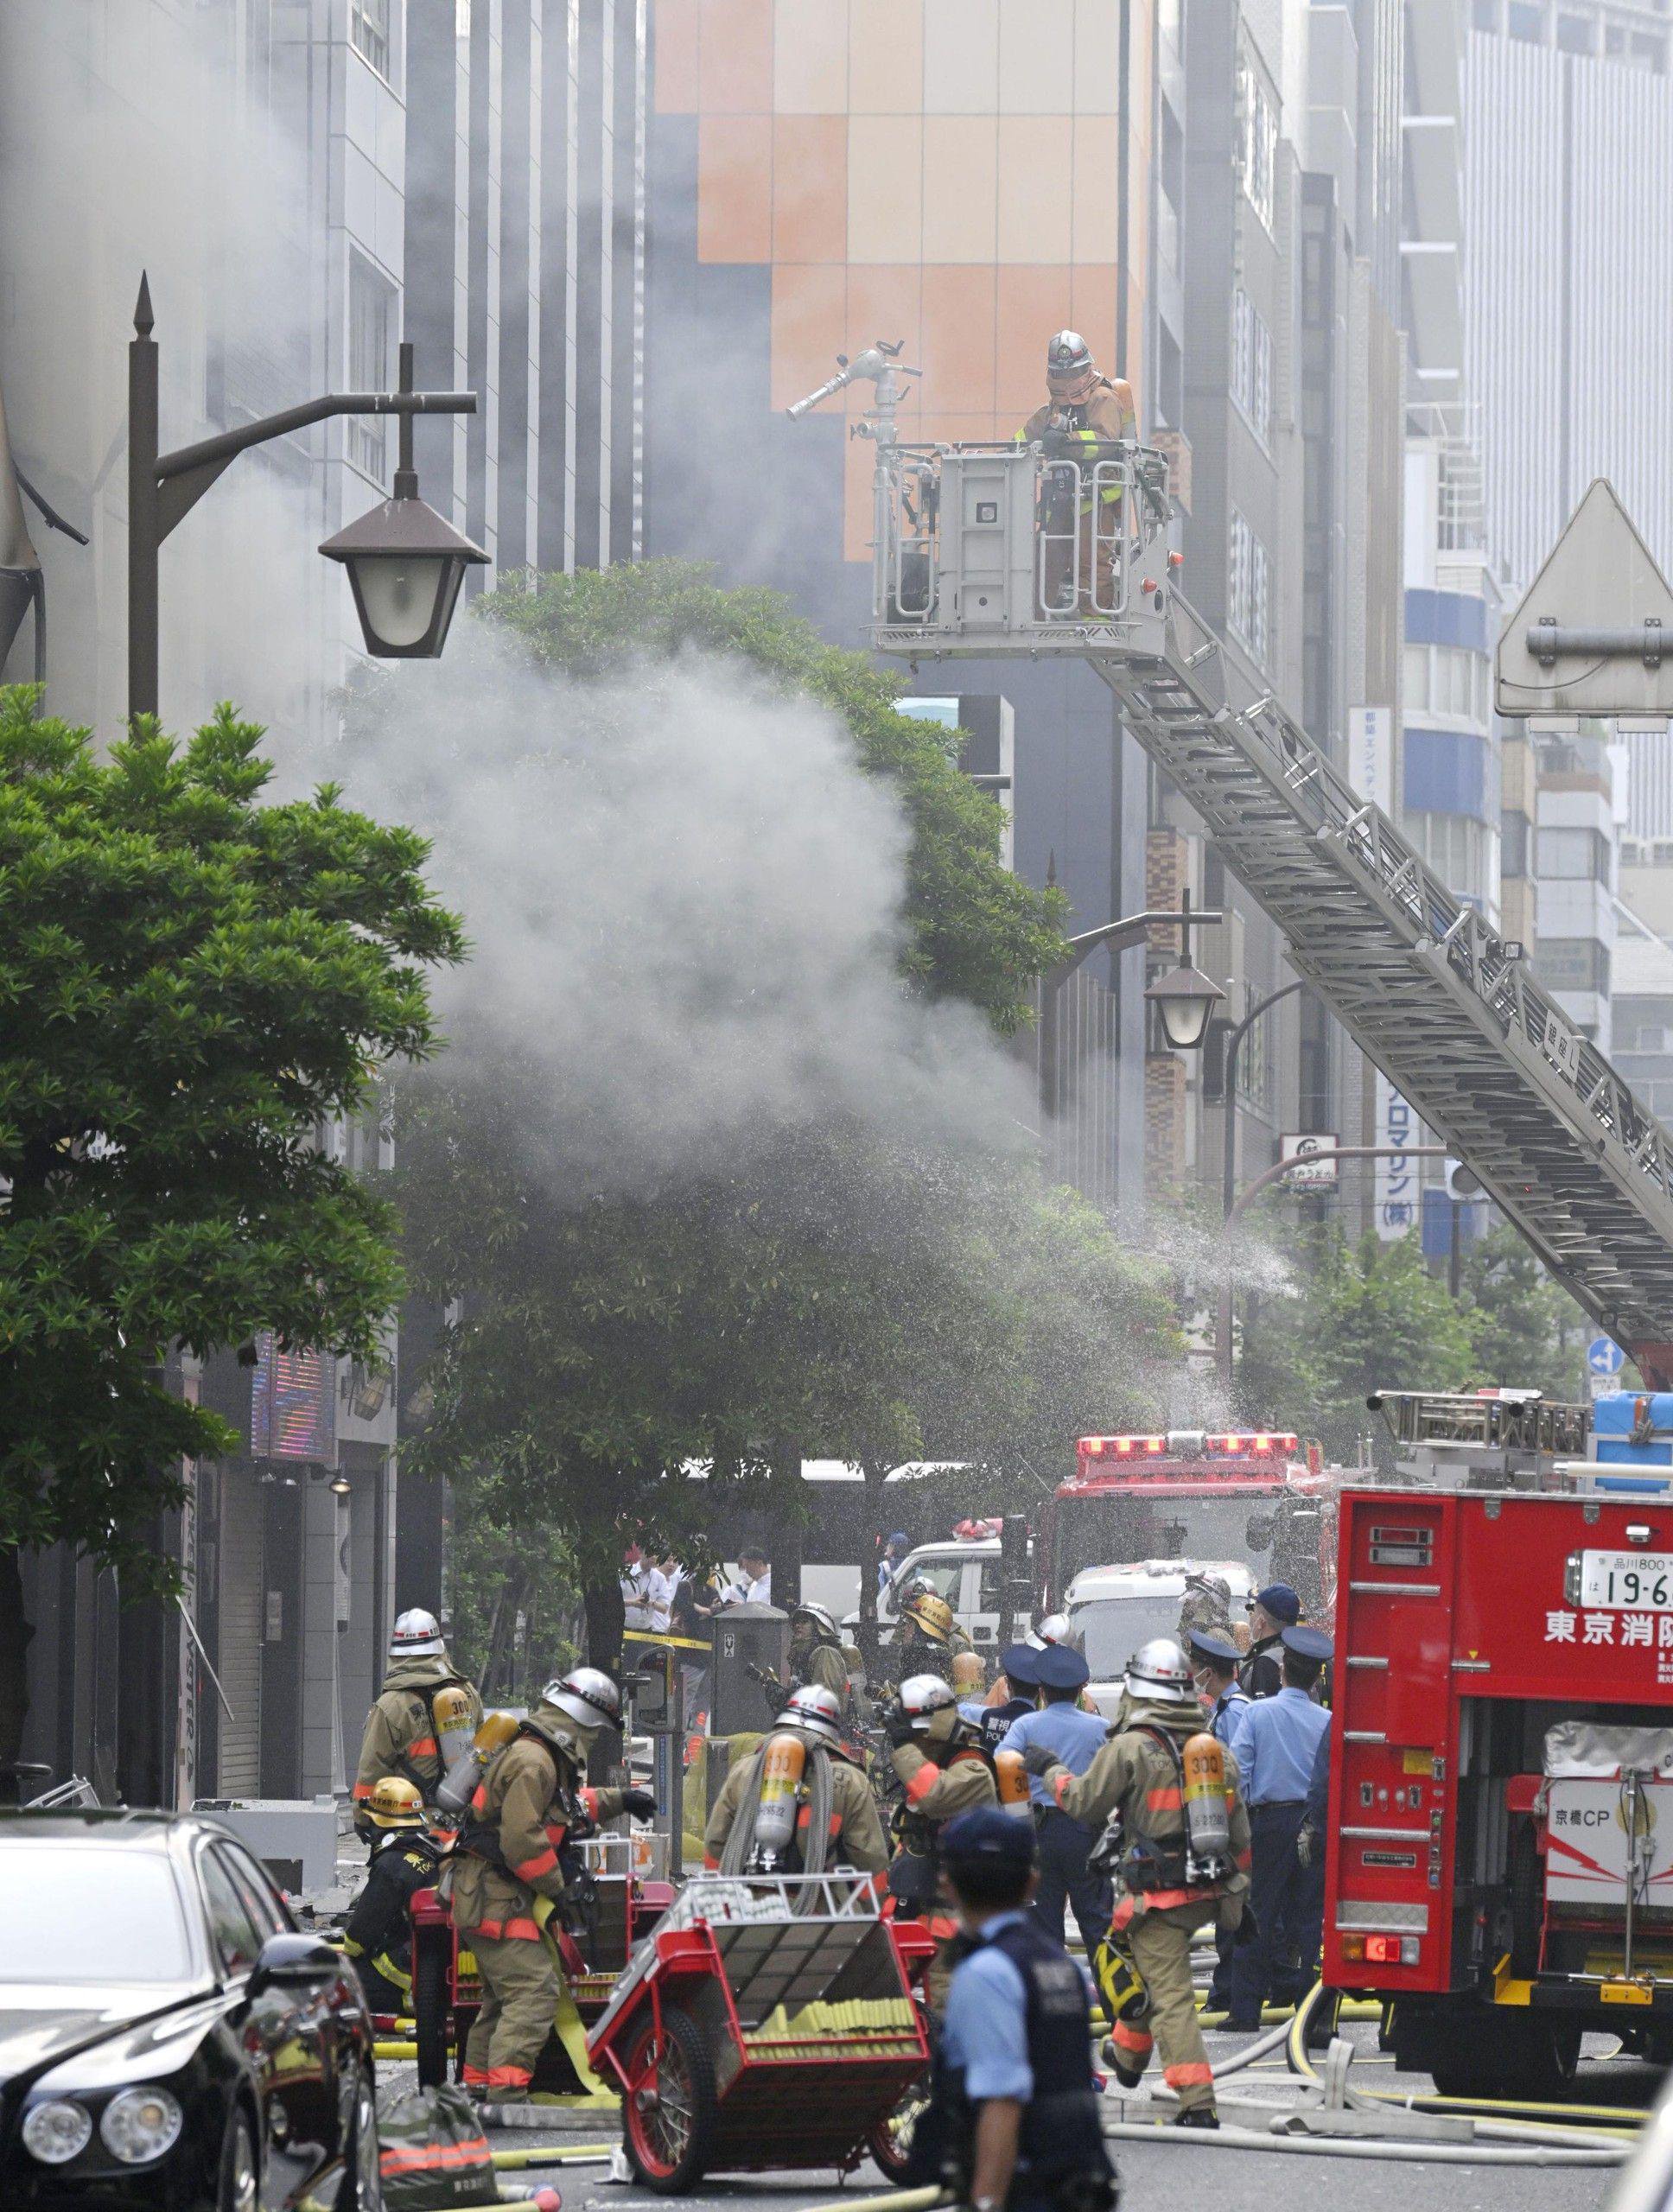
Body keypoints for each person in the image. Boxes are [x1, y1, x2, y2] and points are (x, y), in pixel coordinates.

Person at [1024, 1637, 1250, 2127]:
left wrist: (1050, 1769)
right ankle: (1127, 2059)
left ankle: (1197, 2101)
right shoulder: (1213, 1753)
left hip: (1159, 1899)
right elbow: (1241, 1836)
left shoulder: (1130, 1748)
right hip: (1209, 1890)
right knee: (1126, 1962)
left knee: (1170, 1997)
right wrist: (1240, 1901)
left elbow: (1084, 1802)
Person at [451, 1668, 655, 2105]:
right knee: (534, 1992)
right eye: (595, 1731)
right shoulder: (534, 1761)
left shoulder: (541, 1757)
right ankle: (506, 2093)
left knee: (501, 1998)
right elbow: (522, 1840)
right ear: (580, 1721)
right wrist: (561, 1889)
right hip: (496, 1899)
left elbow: (566, 1808)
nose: (594, 1740)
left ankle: (477, 2088)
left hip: (495, 1895)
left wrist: (621, 1800)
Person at [936, 1808, 1116, 2212]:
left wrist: (985, 2202)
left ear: (947, 1885)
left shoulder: (986, 1972)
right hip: (1081, 2182)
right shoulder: (1061, 1965)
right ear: (1031, 1882)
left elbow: (1002, 2100)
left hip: (1026, 2190)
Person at [1224, 1624, 1332, 2030]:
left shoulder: (1256, 1713)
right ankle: (1314, 2016)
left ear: (1283, 1669)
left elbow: (1237, 1775)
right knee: (1309, 1920)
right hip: (1313, 1823)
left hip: (1267, 1824)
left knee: (1258, 1913)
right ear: (1317, 1677)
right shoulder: (1328, 1720)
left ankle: (1245, 2010)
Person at [885, 1673, 1001, 2001]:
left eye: (915, 1738)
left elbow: (935, 1795)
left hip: (958, 1913)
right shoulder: (938, 1763)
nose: (914, 1747)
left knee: (949, 2001)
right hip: (924, 1899)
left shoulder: (973, 1769)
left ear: (933, 1734)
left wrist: (902, 1750)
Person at [703, 1684, 888, 1874]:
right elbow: (870, 1859)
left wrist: (721, 1898)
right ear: (832, 1730)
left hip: (746, 1899)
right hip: (822, 1900)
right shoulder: (852, 1781)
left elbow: (715, 1843)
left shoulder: (744, 1769)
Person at [998, 1643, 1110, 1955]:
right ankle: (1113, 1998)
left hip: (1038, 1833)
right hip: (1087, 1832)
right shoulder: (1100, 1728)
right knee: (1097, 1923)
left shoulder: (1025, 1725)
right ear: (1080, 1690)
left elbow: (1001, 1762)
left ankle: (1054, 1999)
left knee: (1044, 1927)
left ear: (1042, 1690)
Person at [1019, 331, 1138, 618]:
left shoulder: (1103, 399)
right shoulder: (1052, 410)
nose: (1066, 378)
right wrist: (993, 458)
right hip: (1059, 498)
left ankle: (1094, 619)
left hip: (1095, 496)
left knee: (1092, 562)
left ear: (1085, 368)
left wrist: (1067, 441)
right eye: (1061, 372)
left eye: (1071, 371)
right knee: (1044, 560)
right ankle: (1032, 618)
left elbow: (1104, 440)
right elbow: (1022, 439)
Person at [354, 1608, 483, 1808]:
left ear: (396, 1653)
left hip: (409, 1819)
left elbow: (373, 1769)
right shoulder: (467, 1693)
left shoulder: (390, 1705)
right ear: (439, 1646)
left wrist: (363, 1818)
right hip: (461, 1817)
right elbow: (482, 1750)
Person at [343, 1777, 446, 2014]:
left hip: (406, 1971)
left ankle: (408, 2003)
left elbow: (361, 1934)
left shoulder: (390, 1865)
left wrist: (346, 1956)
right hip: (443, 1967)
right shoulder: (436, 1849)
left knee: (337, 1984)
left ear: (379, 1821)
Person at [1187, 1629, 1250, 2017]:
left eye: (1196, 1668)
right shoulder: (1223, 1710)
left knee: (1231, 1910)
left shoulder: (1237, 1711)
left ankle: (1227, 1993)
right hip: (1219, 1825)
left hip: (1230, 1828)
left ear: (1209, 1673)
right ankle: (1225, 1991)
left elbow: (1237, 1773)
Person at [887, 1587, 970, 1685]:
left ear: (923, 1628)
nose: (904, 1628)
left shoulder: (930, 1663)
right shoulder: (911, 1654)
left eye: (909, 1623)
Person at [1238, 1582, 1301, 1700]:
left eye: (1253, 1613)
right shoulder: (1300, 1654)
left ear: (1261, 1621)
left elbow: (1264, 1713)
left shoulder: (1266, 1662)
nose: (1250, 1618)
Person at [789, 1600, 852, 1701]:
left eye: (804, 1622)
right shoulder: (802, 1654)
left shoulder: (825, 1653)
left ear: (819, 1626)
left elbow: (824, 1698)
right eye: (796, 1622)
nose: (797, 1625)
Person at [1177, 1573, 1234, 1648]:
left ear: (1213, 1604)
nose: (1188, 1601)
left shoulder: (1217, 1635)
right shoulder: (1191, 1628)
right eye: (1192, 1594)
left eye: (1201, 1599)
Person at [880, 1531, 911, 1597]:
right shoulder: (913, 1566)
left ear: (893, 1548)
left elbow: (880, 1591)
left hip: (889, 1605)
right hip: (908, 1605)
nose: (886, 1548)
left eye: (889, 1545)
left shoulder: (883, 1566)